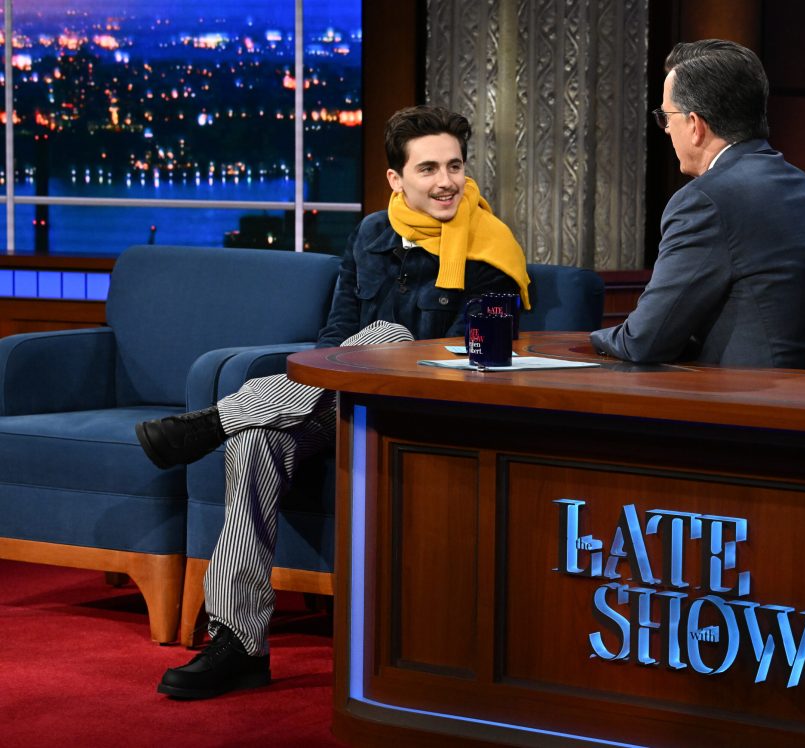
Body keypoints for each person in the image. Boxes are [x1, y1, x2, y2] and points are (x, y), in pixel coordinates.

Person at [138, 105, 531, 700]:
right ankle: (239, 643)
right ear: (396, 179)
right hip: (340, 404)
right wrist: (348, 369)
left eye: (454, 166)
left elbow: (466, 360)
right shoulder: (372, 234)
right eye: (428, 169)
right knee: (257, 441)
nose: (446, 181)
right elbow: (334, 336)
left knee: (390, 335)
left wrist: (379, 354)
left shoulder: (491, 251)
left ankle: (215, 420)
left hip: (422, 411)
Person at [590, 39, 805, 367]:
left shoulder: (705, 201)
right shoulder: (803, 186)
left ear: (695, 125)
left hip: (741, 393)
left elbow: (643, 341)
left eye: (666, 117)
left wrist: (585, 340)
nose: (666, 130)